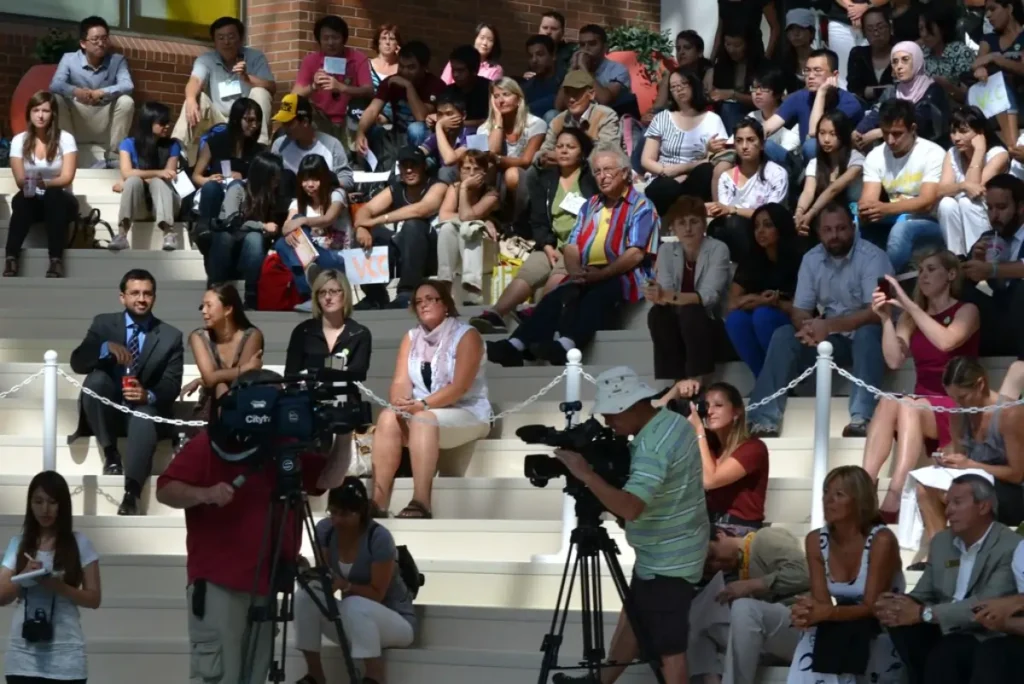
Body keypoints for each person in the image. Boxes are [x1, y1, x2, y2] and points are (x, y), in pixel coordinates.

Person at [155, 370, 342, 684]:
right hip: (218, 584)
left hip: (267, 584)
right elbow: (165, 489)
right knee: (219, 676)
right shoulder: (214, 441)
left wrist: (345, 433)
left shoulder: (286, 445)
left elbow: (329, 479)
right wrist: (204, 493)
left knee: (254, 676)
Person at [551, 366, 709, 684]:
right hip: (670, 545)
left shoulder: (652, 447)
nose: (607, 421)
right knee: (633, 617)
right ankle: (599, 681)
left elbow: (630, 507)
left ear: (632, 407)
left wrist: (587, 475)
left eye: (612, 414)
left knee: (669, 650)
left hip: (670, 559)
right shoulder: (672, 423)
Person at [486, 145, 659, 367]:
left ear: (625, 173)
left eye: (608, 170)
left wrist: (602, 273)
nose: (602, 177)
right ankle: (516, 345)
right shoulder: (590, 205)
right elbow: (571, 246)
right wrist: (575, 270)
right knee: (555, 297)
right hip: (586, 272)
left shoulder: (641, 206)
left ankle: (567, 345)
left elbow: (635, 253)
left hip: (624, 274)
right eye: (597, 171)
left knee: (597, 293)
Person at [746, 202, 892, 438]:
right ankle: (763, 420)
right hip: (832, 341)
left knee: (868, 333)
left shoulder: (873, 257)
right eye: (828, 230)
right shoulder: (811, 259)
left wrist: (829, 326)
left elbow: (877, 312)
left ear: (853, 228)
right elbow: (800, 309)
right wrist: (808, 327)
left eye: (841, 228)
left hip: (869, 338)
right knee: (783, 335)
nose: (835, 235)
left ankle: (862, 418)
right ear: (819, 233)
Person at [861, 249, 981, 522]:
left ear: (950, 275)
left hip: (957, 406)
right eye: (921, 270)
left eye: (931, 269)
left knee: (908, 406)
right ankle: (864, 486)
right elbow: (893, 359)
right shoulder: (910, 317)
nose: (923, 276)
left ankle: (896, 492)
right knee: (890, 400)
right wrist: (884, 319)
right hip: (921, 402)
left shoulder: (967, 310)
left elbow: (947, 341)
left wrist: (910, 304)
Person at [876, 474, 1022, 684]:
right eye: (948, 503)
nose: (948, 510)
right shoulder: (942, 542)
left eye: (957, 502)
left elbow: (985, 607)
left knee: (949, 650)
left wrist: (924, 614)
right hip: (942, 625)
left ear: (983, 507)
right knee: (901, 625)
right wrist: (897, 604)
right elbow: (923, 592)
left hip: (984, 633)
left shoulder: (1010, 546)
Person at [68, 269, 184, 516]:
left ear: (154, 297)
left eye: (147, 294)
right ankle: (111, 454)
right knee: (96, 380)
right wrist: (103, 348)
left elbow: (171, 385)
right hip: (107, 413)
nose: (141, 299)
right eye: (135, 293)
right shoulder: (103, 324)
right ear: (122, 297)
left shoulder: (171, 336)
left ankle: (131, 493)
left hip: (144, 414)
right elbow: (77, 363)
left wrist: (148, 395)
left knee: (143, 416)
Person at [370, 280, 490, 519]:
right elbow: (400, 381)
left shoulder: (467, 335)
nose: (423, 304)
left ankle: (421, 501)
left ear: (445, 304)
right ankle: (377, 502)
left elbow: (459, 387)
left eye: (430, 299)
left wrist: (423, 405)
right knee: (386, 418)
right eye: (418, 301)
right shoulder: (411, 337)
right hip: (422, 411)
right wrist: (400, 402)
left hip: (466, 411)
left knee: (423, 419)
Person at [470, 128, 597, 334]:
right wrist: (547, 246)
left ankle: (537, 312)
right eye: (560, 146)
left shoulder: (590, 178)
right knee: (529, 272)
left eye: (571, 147)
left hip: (580, 245)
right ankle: (496, 314)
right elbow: (538, 219)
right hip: (552, 242)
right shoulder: (544, 179)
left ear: (581, 153)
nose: (564, 151)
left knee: (559, 273)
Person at [786, 465, 905, 684]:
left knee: (833, 637)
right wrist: (807, 612)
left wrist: (824, 613)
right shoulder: (815, 540)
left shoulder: (882, 540)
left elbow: (872, 608)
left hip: (881, 625)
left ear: (859, 501)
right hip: (839, 625)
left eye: (839, 494)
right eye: (826, 492)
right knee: (812, 634)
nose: (828, 500)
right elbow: (822, 603)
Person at [294, 478, 415, 684]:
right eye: (333, 512)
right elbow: (326, 578)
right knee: (305, 596)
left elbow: (377, 594)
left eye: (345, 514)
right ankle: (315, 675)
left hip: (395, 622)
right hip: (355, 620)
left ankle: (373, 675)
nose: (338, 520)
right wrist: (306, 571)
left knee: (354, 603)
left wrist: (346, 585)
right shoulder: (325, 530)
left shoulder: (379, 538)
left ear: (361, 513)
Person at [0, 471, 102, 684]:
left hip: (67, 659)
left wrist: (58, 586)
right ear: (30, 505)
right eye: (38, 501)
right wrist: (24, 576)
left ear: (62, 506)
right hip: (22, 658)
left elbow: (94, 599)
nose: (44, 509)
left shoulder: (79, 543)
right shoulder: (18, 543)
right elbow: (1, 596)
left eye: (52, 502)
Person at [914, 357, 1024, 546]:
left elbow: (1017, 474)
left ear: (980, 384)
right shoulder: (958, 415)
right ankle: (938, 553)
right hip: (977, 483)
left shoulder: (1009, 414)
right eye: (954, 398)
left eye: (963, 397)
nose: (959, 404)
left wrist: (972, 465)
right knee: (924, 488)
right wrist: (949, 461)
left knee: (964, 494)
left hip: (1011, 491)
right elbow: (961, 459)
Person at [687, 526, 809, 684]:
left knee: (745, 608)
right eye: (710, 568)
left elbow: (807, 573)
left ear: (720, 534)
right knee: (696, 620)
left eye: (712, 555)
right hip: (768, 639)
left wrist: (753, 585)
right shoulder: (732, 576)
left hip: (800, 626)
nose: (717, 564)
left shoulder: (764, 539)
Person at [646, 197, 732, 392]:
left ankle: (698, 377)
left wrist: (667, 296)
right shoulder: (667, 250)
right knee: (658, 314)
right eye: (681, 223)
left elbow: (709, 297)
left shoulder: (718, 248)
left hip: (712, 325)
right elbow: (664, 292)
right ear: (673, 228)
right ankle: (677, 380)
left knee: (691, 310)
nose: (688, 228)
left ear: (704, 224)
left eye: (694, 221)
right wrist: (657, 294)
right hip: (681, 324)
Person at [351, 146, 448, 310]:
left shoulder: (437, 186)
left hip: (431, 252)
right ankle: (374, 295)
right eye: (404, 166)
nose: (409, 170)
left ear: (424, 166)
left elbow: (421, 209)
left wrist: (376, 220)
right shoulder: (396, 188)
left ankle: (408, 293)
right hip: (404, 251)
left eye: (414, 165)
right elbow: (366, 210)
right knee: (371, 234)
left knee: (413, 224)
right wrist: (362, 228)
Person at [859, 98, 946, 273]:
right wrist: (866, 210)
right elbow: (868, 199)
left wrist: (884, 209)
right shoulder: (876, 156)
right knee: (856, 226)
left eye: (897, 133)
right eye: (885, 133)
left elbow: (927, 202)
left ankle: (887, 282)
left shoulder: (933, 153)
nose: (890, 140)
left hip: (930, 221)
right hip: (893, 217)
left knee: (902, 230)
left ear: (913, 129)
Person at [172, 16, 276, 156]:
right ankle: (180, 153)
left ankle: (260, 149)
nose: (226, 42)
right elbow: (195, 81)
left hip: (245, 118)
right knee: (196, 98)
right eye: (220, 38)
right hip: (218, 118)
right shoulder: (206, 59)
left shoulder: (255, 57)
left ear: (240, 39)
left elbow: (271, 86)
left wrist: (247, 78)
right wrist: (190, 99)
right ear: (214, 42)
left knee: (260, 92)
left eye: (231, 36)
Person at [725, 203, 808, 377]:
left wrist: (773, 303)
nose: (760, 231)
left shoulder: (801, 257)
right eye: (756, 226)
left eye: (768, 225)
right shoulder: (751, 260)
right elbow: (732, 304)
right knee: (736, 320)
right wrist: (761, 300)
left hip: (798, 326)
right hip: (765, 316)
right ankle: (764, 380)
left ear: (781, 227)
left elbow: (803, 309)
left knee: (763, 315)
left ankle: (779, 380)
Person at [4, 91, 79, 279]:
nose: (40, 115)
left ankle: (56, 260)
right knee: (22, 199)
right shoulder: (19, 140)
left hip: (61, 201)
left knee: (53, 195)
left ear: (53, 114)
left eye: (45, 110)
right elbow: (19, 179)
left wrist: (45, 183)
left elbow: (67, 177)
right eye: (36, 110)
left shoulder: (65, 138)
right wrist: (32, 185)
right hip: (33, 200)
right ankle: (11, 257)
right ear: (29, 113)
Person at [206, 151, 290, 308]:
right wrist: (262, 226)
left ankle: (251, 295)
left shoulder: (273, 196)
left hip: (253, 251)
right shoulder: (238, 189)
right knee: (227, 237)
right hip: (228, 245)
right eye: (273, 177)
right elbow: (231, 223)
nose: (277, 181)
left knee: (254, 238)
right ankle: (214, 292)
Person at [48, 16, 134, 168]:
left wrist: (102, 92)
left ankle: (114, 155)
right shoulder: (69, 59)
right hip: (78, 115)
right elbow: (55, 84)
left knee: (127, 101)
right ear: (83, 43)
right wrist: (76, 91)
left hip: (104, 116)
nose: (101, 43)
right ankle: (66, 151)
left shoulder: (117, 60)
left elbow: (128, 85)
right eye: (95, 39)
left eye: (104, 38)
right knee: (56, 98)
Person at [686, 381, 770, 534]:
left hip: (741, 529)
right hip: (709, 526)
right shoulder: (710, 444)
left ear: (736, 412)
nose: (710, 411)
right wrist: (676, 392)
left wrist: (699, 430)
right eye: (707, 405)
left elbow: (711, 480)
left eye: (718, 405)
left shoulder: (753, 448)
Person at [642, 68, 729, 211]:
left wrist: (681, 169)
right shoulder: (662, 118)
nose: (679, 89)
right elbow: (646, 159)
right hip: (665, 176)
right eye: (674, 87)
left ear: (694, 85)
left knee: (706, 171)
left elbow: (719, 158)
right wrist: (665, 171)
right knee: (665, 187)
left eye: (683, 84)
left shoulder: (713, 120)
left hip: (695, 176)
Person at [960, 173, 1024, 357]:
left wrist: (992, 270)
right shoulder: (988, 237)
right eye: (990, 208)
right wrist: (973, 263)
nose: (994, 215)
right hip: (1001, 317)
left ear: (1020, 207)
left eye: (1002, 208)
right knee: (958, 286)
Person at [707, 118, 788, 263]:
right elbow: (726, 213)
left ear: (762, 144)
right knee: (718, 227)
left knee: (736, 223)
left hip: (771, 235)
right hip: (737, 233)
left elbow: (771, 216)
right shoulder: (726, 178)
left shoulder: (777, 174)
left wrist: (734, 210)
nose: (744, 146)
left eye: (751, 140)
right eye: (739, 141)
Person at [760, 49, 865, 161]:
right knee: (763, 145)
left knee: (812, 146)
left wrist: (821, 94)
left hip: (837, 162)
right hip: (803, 162)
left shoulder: (849, 103)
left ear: (834, 75)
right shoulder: (799, 97)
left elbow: (815, 133)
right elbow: (768, 127)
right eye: (807, 71)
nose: (810, 76)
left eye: (817, 71)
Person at [274, 154, 352, 302]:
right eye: (305, 179)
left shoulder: (337, 195)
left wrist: (302, 221)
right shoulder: (297, 204)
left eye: (315, 179)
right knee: (282, 243)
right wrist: (290, 232)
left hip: (337, 258)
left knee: (295, 224)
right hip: (310, 262)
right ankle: (308, 275)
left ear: (325, 179)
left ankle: (307, 294)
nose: (310, 185)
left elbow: (328, 219)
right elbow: (285, 229)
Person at [180, 284, 264, 420]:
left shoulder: (252, 335)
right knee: (220, 385)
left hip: (245, 403)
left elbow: (241, 381)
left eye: (209, 305)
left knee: (222, 384)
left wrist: (205, 379)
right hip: (210, 406)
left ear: (228, 309)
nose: (203, 311)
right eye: (202, 306)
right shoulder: (198, 337)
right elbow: (210, 379)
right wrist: (246, 368)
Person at [354, 41, 445, 167]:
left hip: (425, 138)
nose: (405, 72)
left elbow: (421, 117)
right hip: (397, 134)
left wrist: (408, 87)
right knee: (373, 130)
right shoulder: (391, 82)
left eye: (411, 67)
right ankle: (377, 175)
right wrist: (360, 132)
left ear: (424, 67)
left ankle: (419, 168)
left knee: (416, 129)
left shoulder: (435, 85)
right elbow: (372, 110)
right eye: (401, 66)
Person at [190, 97, 266, 244]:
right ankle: (204, 229)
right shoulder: (215, 142)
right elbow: (196, 176)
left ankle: (230, 228)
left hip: (241, 198)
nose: (254, 125)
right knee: (211, 187)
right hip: (217, 192)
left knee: (236, 187)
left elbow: (261, 184)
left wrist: (244, 178)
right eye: (249, 120)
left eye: (257, 121)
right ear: (237, 119)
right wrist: (208, 179)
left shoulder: (258, 151)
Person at [936, 106, 1010, 256]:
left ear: (980, 133)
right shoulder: (953, 153)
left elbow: (975, 190)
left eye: (963, 132)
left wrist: (979, 151)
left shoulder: (998, 155)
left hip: (991, 214)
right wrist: (963, 185)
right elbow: (940, 190)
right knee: (946, 204)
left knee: (967, 202)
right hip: (965, 213)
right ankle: (957, 258)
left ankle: (978, 260)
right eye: (953, 132)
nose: (956, 138)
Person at [112, 101, 182, 252]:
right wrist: (157, 172)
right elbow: (126, 173)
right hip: (140, 205)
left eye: (168, 122)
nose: (167, 126)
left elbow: (168, 176)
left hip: (166, 203)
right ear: (148, 122)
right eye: (162, 122)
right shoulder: (128, 144)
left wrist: (134, 176)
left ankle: (169, 233)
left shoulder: (173, 145)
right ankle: (122, 235)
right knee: (133, 181)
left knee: (155, 182)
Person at [854, 41, 952, 150]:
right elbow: (877, 112)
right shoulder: (893, 91)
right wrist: (858, 131)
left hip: (930, 150)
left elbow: (922, 122)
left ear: (917, 61)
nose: (899, 66)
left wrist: (882, 132)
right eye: (895, 62)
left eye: (905, 60)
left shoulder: (933, 90)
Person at [292, 15, 374, 141]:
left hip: (350, 118)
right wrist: (313, 86)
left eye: (335, 37)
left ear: (344, 39)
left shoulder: (358, 58)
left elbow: (369, 91)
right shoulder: (310, 60)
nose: (330, 43)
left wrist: (342, 87)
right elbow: (294, 96)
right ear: (319, 40)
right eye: (325, 38)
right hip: (321, 119)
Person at [435, 151, 501, 304]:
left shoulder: (491, 194)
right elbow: (443, 216)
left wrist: (464, 189)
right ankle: (444, 282)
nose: (471, 173)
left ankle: (473, 288)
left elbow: (466, 216)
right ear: (460, 171)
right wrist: (482, 220)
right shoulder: (454, 188)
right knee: (447, 229)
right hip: (460, 249)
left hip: (487, 251)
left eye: (476, 169)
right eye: (466, 168)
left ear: (484, 172)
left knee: (469, 227)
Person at [284, 269, 372, 379]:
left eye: (334, 291)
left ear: (345, 294)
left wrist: (317, 369)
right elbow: (290, 374)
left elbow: (358, 373)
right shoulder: (303, 331)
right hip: (308, 394)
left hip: (345, 393)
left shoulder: (359, 333)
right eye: (322, 292)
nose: (327, 297)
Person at [794, 110, 865, 238]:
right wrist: (799, 212)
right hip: (826, 216)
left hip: (855, 217)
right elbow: (808, 192)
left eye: (833, 134)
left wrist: (810, 213)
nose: (826, 139)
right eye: (822, 133)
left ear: (843, 135)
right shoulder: (815, 163)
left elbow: (834, 189)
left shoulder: (856, 160)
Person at [535, 70, 621, 166]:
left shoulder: (606, 116)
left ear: (591, 94)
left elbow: (607, 151)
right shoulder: (558, 121)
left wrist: (571, 158)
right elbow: (542, 151)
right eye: (567, 93)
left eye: (576, 94)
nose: (571, 99)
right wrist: (542, 158)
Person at [478, 77, 547, 194]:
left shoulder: (536, 123)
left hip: (525, 176)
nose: (500, 100)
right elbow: (489, 153)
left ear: (519, 99)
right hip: (493, 176)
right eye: (496, 96)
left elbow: (526, 161)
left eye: (506, 94)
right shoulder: (483, 129)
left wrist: (497, 159)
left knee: (512, 174)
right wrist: (498, 121)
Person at [270, 94, 355, 188]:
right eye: (283, 123)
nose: (284, 128)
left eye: (289, 123)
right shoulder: (279, 145)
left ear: (305, 122)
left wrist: (324, 184)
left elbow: (347, 180)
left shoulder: (332, 145)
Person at [973, 0, 1024, 147]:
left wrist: (995, 58)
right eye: (986, 11)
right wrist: (980, 69)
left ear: (1009, 8)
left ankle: (1012, 144)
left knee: (1003, 80)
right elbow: (977, 64)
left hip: (1021, 95)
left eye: (992, 9)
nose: (988, 15)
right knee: (999, 81)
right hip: (994, 101)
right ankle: (1012, 144)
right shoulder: (989, 39)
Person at [558, 24, 633, 113]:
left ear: (605, 48)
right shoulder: (576, 70)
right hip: (579, 118)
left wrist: (584, 69)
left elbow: (604, 100)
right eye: (582, 45)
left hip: (610, 119)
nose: (586, 49)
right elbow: (559, 106)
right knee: (552, 114)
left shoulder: (618, 70)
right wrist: (571, 70)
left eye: (592, 44)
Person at [706, 26, 760, 132]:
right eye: (728, 44)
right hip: (725, 112)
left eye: (737, 45)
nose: (731, 50)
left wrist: (733, 94)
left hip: (753, 111)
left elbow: (761, 99)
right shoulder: (721, 66)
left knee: (730, 107)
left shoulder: (760, 67)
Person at [919, 4, 975, 104]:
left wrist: (946, 86)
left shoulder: (961, 52)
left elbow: (971, 96)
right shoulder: (920, 55)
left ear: (942, 27)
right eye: (921, 29)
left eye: (929, 28)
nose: (924, 34)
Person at [847, 6, 894, 104]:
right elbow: (853, 90)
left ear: (890, 27)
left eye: (880, 27)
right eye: (870, 29)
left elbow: (902, 89)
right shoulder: (858, 54)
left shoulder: (901, 52)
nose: (876, 33)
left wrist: (870, 91)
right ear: (864, 33)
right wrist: (887, 89)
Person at [522, 34, 562, 120]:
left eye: (540, 54)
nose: (534, 60)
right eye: (530, 56)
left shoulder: (563, 79)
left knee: (552, 114)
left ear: (553, 56)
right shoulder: (529, 86)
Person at [538, 10, 577, 75]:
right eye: (545, 28)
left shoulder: (572, 52)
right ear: (539, 31)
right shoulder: (535, 53)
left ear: (562, 33)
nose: (548, 32)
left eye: (553, 29)